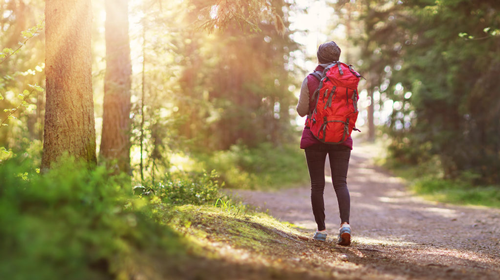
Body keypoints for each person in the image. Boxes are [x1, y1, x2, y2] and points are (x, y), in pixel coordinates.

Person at [296, 41, 352, 246]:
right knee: (341, 183)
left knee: (317, 185)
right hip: (342, 136)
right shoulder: (348, 78)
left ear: (319, 58)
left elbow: (302, 110)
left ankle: (320, 231)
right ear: (337, 58)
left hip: (315, 135)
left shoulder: (310, 79)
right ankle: (345, 225)